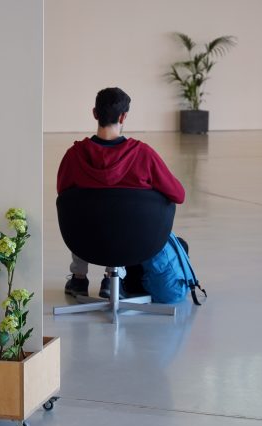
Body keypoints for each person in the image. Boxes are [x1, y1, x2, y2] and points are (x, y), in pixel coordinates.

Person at [57, 87, 186, 298]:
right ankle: (111, 279)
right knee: (119, 216)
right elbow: (178, 195)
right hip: (133, 245)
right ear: (124, 116)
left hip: (85, 242)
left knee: (80, 208)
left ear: (95, 113)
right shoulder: (143, 154)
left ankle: (79, 279)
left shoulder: (74, 156)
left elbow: (63, 194)